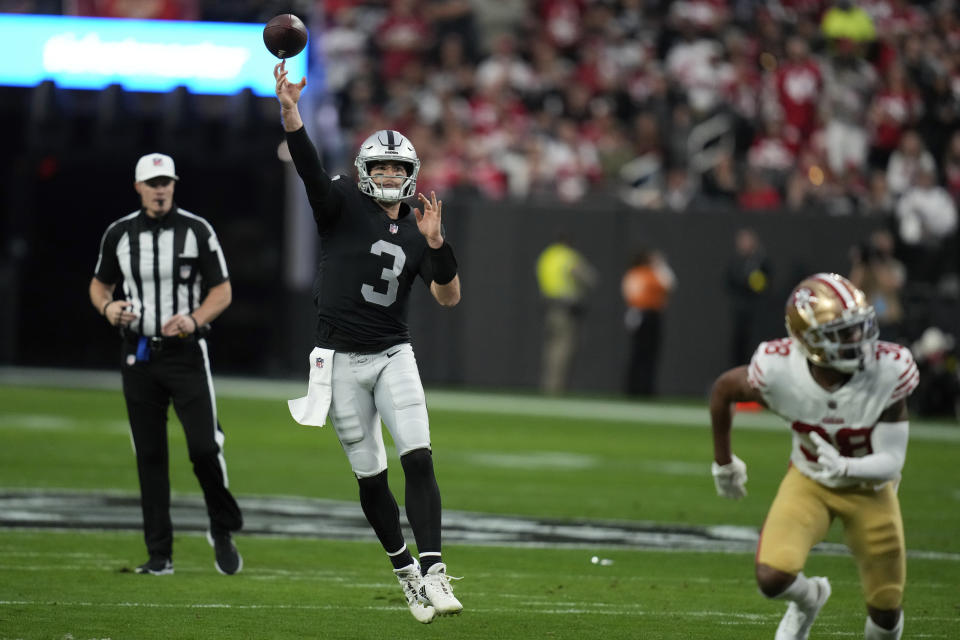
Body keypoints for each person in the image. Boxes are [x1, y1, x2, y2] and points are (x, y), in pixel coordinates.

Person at [274, 60, 463, 624]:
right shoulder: (339, 204)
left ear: (408, 172)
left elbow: (449, 297)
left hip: (392, 353)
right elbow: (308, 168)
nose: (385, 175)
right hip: (336, 360)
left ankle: (433, 569)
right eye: (377, 166)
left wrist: (438, 245)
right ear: (362, 170)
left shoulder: (419, 223)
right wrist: (290, 111)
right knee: (371, 476)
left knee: (420, 457)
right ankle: (405, 571)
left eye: (394, 167)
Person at [710, 272, 917, 640]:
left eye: (859, 326)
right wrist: (724, 462)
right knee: (772, 577)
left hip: (871, 488)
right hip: (810, 480)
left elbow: (892, 459)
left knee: (885, 611)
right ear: (809, 340)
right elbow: (724, 389)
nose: (859, 339)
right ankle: (810, 599)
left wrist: (848, 465)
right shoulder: (778, 370)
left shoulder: (888, 370)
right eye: (843, 332)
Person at [88, 153, 243, 576]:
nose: (160, 189)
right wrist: (108, 309)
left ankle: (221, 526)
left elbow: (222, 290)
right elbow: (99, 285)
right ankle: (160, 555)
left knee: (204, 447)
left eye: (166, 182)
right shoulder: (119, 233)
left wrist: (193, 319)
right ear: (138, 187)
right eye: (152, 183)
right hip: (138, 353)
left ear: (174, 185)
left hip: (186, 352)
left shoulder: (197, 230)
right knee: (149, 454)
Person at [535, 236, 597, 394]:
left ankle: (547, 384)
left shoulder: (547, 256)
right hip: (565, 308)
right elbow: (589, 277)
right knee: (563, 349)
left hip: (550, 306)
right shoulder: (567, 257)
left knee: (550, 348)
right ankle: (556, 387)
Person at [621, 249, 675, 396]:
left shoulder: (631, 274)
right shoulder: (648, 274)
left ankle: (634, 388)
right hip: (648, 314)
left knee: (639, 353)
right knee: (647, 354)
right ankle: (643, 388)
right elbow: (669, 283)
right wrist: (660, 265)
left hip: (636, 314)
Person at [725, 228, 772, 367]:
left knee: (754, 343)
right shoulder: (735, 262)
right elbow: (728, 281)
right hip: (739, 311)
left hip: (755, 312)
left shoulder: (761, 262)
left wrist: (752, 282)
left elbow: (762, 285)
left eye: (746, 241)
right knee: (738, 345)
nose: (743, 244)